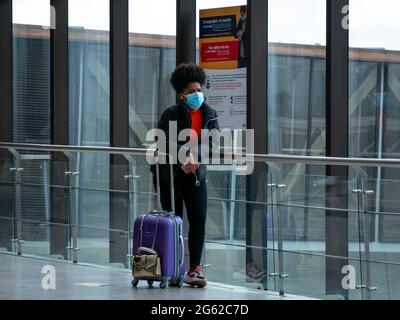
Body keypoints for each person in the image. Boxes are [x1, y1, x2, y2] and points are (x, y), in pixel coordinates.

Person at [151, 63, 220, 288]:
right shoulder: (170, 114)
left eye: (199, 90)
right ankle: (173, 266)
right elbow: (162, 141)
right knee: (174, 220)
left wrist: (194, 157)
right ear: (182, 94)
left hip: (196, 174)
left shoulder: (210, 114)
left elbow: (213, 143)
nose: (197, 94)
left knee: (198, 218)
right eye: (192, 92)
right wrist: (184, 154)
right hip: (170, 175)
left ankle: (195, 269)